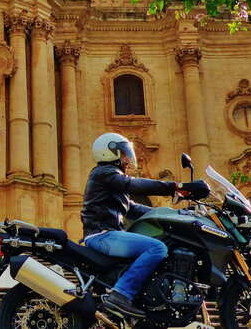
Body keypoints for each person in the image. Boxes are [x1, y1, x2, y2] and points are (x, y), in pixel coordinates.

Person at [81, 133, 209, 318]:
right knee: (157, 248)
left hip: (107, 234)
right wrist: (176, 186)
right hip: (101, 235)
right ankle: (120, 295)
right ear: (110, 153)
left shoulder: (112, 180)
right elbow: (134, 185)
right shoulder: (104, 173)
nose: (127, 159)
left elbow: (134, 209)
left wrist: (176, 215)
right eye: (124, 154)